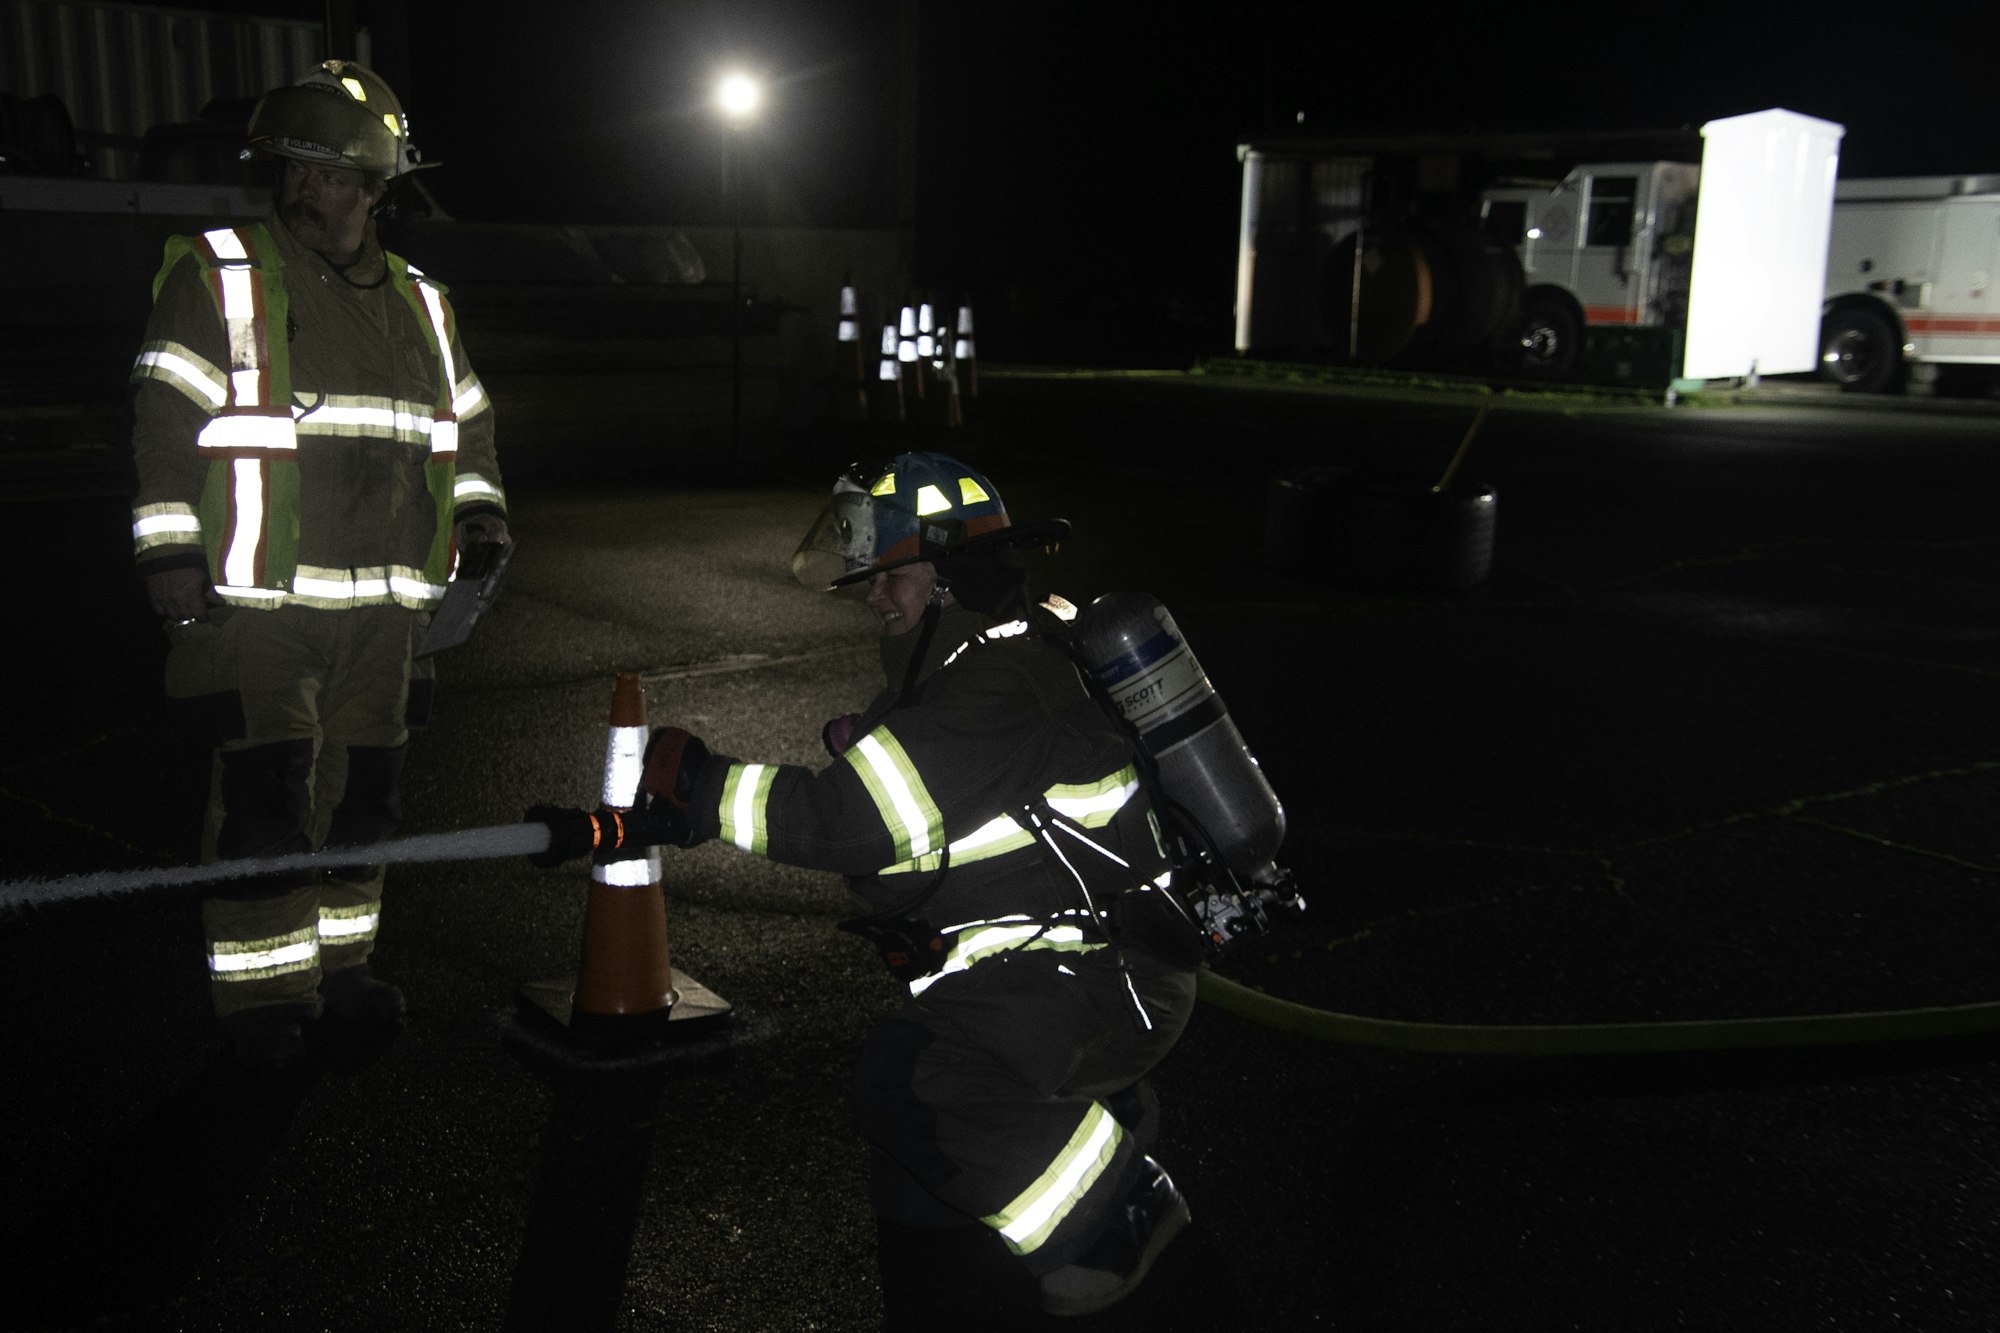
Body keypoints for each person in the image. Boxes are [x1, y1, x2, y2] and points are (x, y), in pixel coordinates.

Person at [633, 452, 1201, 1317]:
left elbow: (850, 821)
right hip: (1067, 960)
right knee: (918, 1183)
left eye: (890, 578)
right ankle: (1090, 1120)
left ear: (948, 579)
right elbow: (915, 839)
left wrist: (704, 789)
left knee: (908, 1079)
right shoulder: (979, 671)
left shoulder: (994, 687)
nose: (873, 598)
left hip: (1094, 976)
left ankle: (1117, 1212)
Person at [127, 60, 508, 1072]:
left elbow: (466, 429)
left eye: (332, 174)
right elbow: (164, 426)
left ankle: (344, 970)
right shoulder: (222, 274)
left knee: (364, 800)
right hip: (262, 605)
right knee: (264, 803)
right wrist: (167, 551)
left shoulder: (422, 303)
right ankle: (263, 1000)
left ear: (377, 189)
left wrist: (483, 519)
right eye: (294, 168)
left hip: (387, 613)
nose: (308, 189)